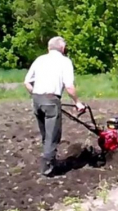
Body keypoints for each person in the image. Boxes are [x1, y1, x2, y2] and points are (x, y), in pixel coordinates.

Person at [24, 36, 86, 176]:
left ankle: (48, 159)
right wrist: (77, 102)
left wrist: (37, 94)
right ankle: (48, 168)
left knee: (46, 134)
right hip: (51, 100)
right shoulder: (65, 61)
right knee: (53, 135)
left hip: (37, 100)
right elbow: (69, 86)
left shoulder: (40, 59)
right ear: (63, 48)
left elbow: (27, 82)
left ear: (48, 48)